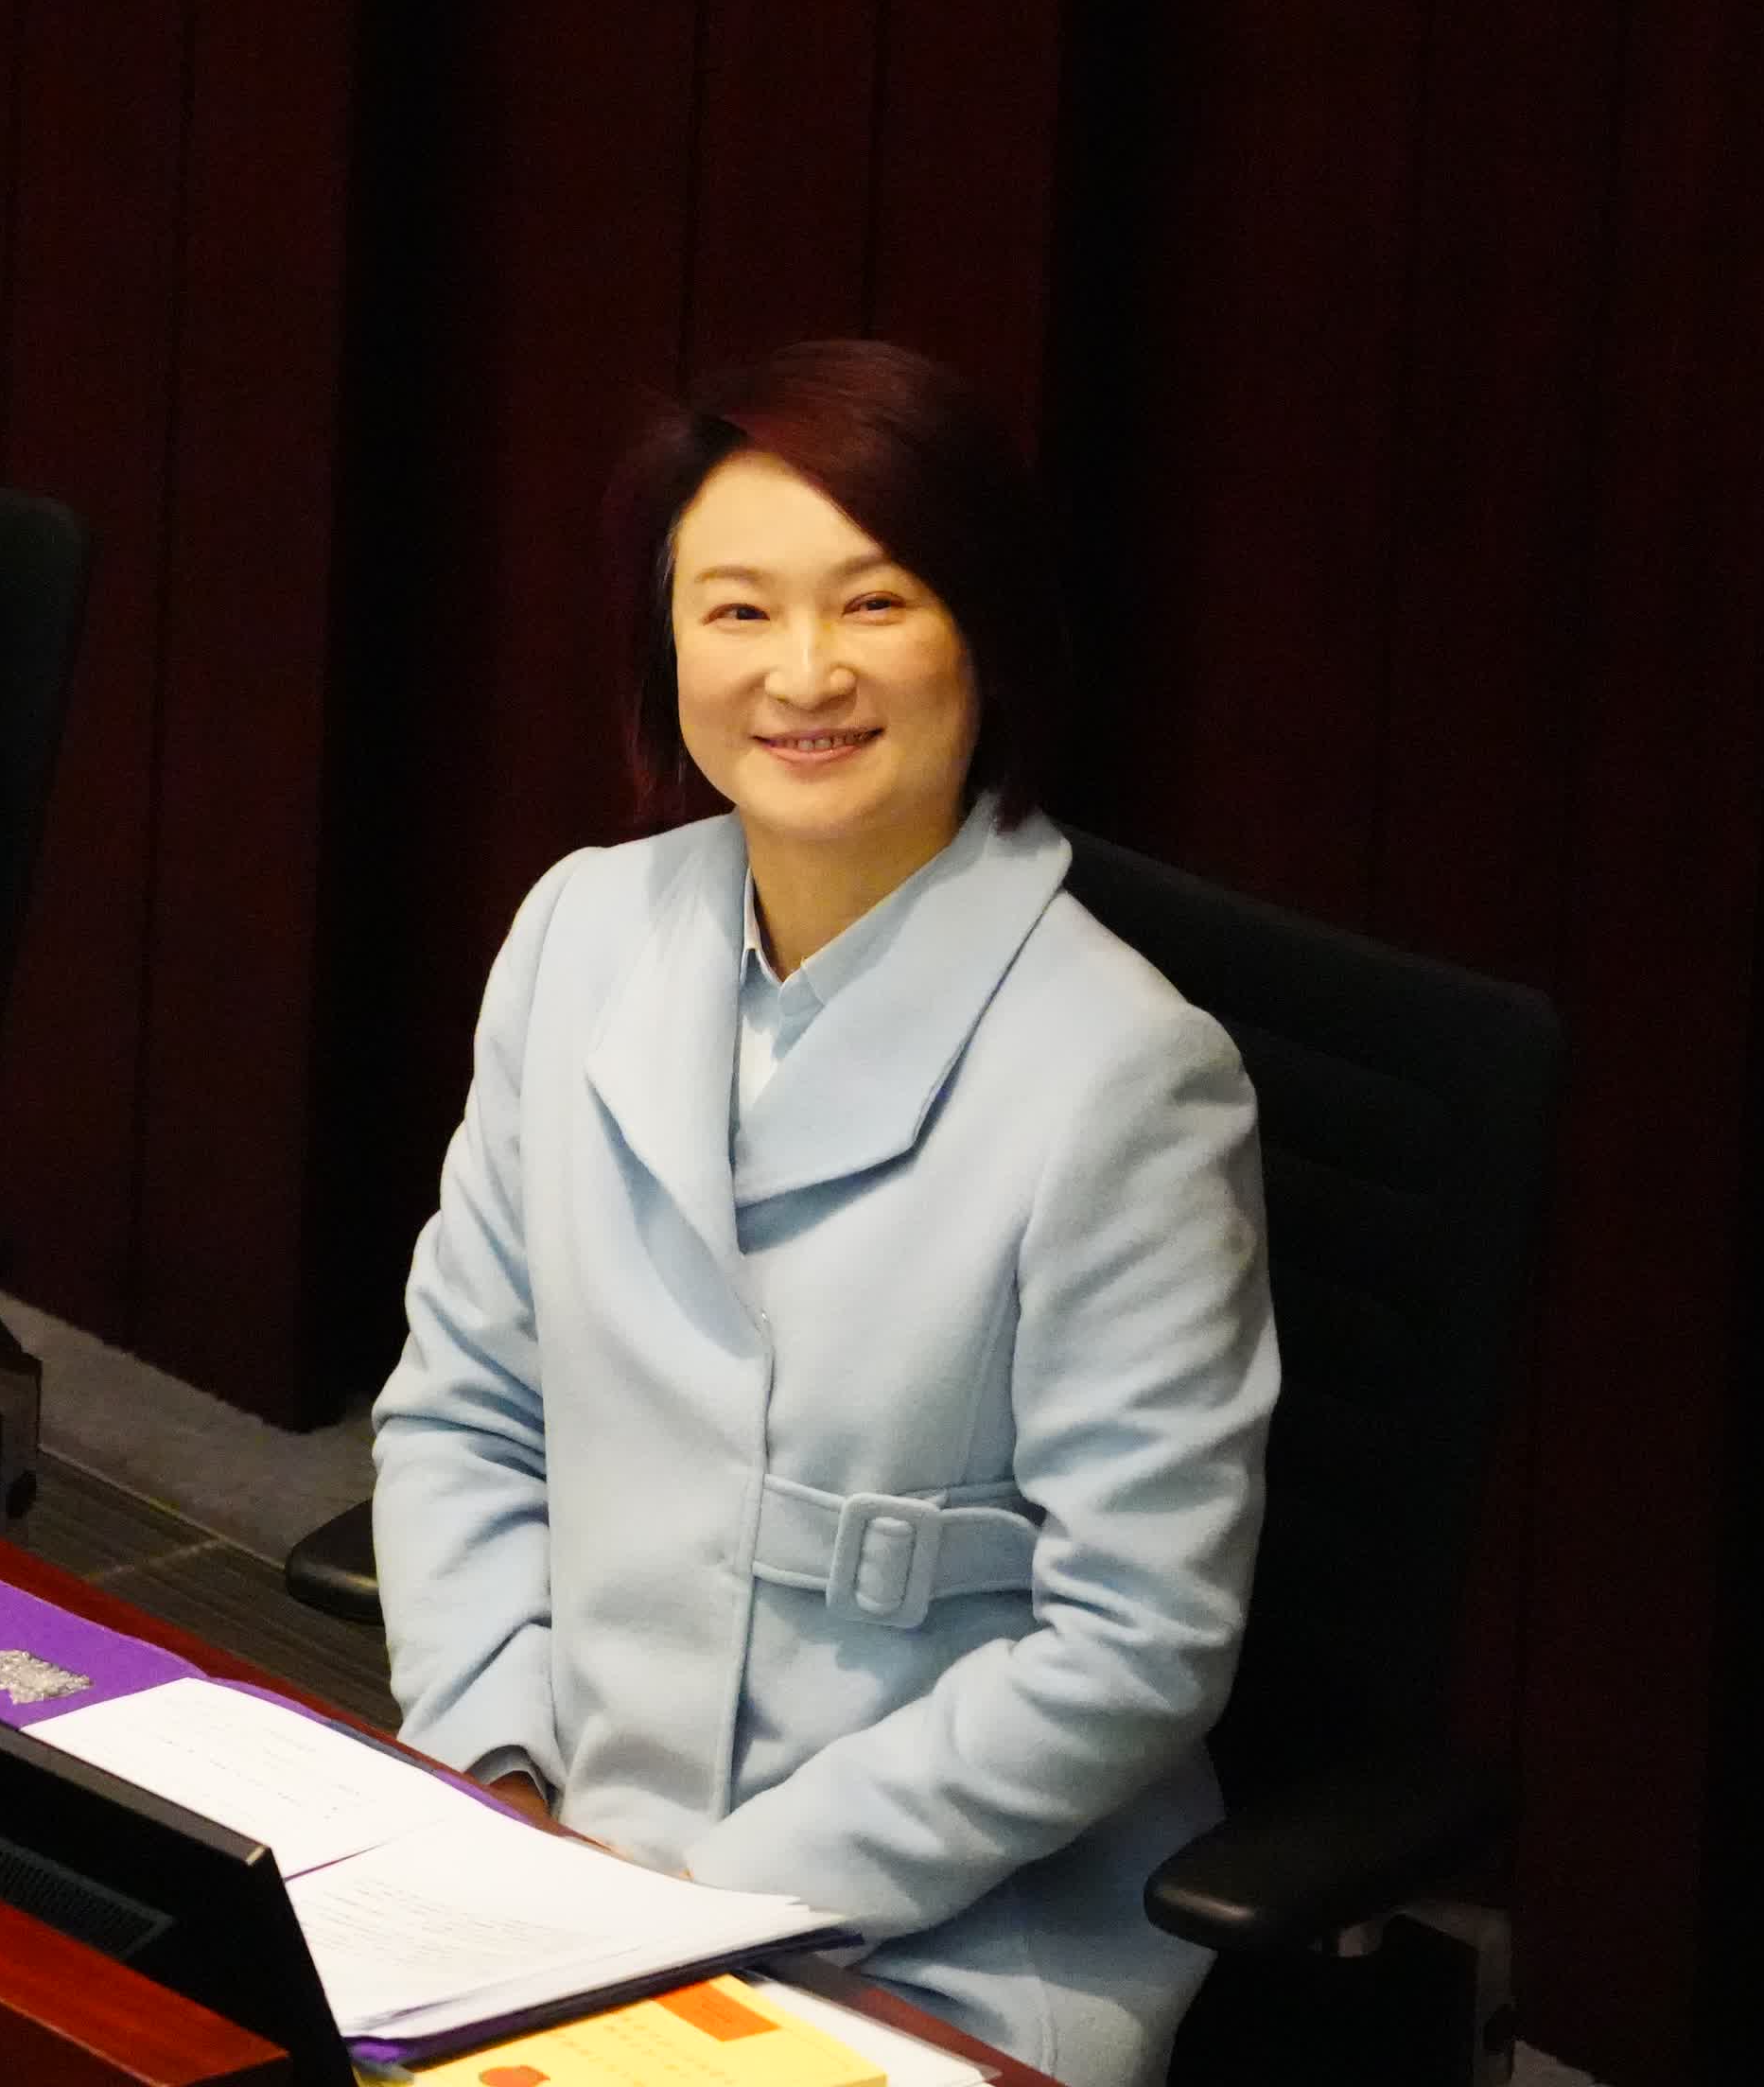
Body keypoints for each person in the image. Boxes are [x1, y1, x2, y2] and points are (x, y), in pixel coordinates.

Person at [369, 339, 1276, 2085]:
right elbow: (465, 1414)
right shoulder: (580, 931)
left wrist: (705, 1902)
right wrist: (495, 1776)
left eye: (874, 604)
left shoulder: (1126, 1075)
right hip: (554, 1855)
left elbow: (1137, 1641)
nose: (803, 674)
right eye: (737, 611)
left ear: (984, 639)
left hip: (933, 1934)